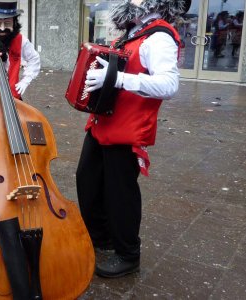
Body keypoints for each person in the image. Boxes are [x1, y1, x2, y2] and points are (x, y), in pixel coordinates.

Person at [77, 0, 187, 278]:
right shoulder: (133, 31)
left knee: (120, 194)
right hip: (103, 122)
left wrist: (116, 78)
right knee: (87, 180)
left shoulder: (160, 37)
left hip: (128, 130)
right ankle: (101, 238)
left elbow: (169, 85)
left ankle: (128, 254)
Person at [0, 0, 40, 100]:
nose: (2, 28)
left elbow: (34, 58)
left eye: (7, 23)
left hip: (13, 98)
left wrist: (26, 80)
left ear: (14, 22)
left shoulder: (21, 40)